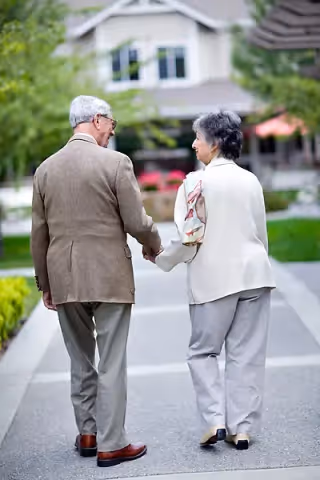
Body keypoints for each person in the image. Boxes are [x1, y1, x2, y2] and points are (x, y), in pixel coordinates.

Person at [31, 95, 161, 467]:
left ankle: (87, 432)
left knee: (80, 360)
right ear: (98, 120)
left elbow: (39, 233)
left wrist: (45, 283)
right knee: (112, 362)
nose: (113, 131)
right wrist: (153, 245)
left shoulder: (45, 169)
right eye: (112, 124)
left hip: (64, 276)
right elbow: (136, 221)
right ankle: (112, 443)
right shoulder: (116, 163)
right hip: (109, 276)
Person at [147, 110, 275, 450]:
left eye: (198, 138)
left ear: (214, 143)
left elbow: (189, 238)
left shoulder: (195, 183)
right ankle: (242, 428)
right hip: (255, 274)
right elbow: (261, 235)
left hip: (213, 279)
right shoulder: (251, 180)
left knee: (202, 352)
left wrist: (162, 258)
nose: (194, 143)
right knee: (246, 354)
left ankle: (215, 421)